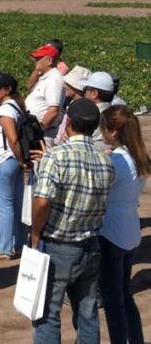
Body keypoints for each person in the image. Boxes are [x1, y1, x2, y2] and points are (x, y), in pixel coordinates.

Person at [30, 98, 114, 343]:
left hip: (59, 245)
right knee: (87, 313)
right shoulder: (105, 161)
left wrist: (36, 234)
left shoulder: (55, 158)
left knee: (47, 314)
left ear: (67, 123)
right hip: (91, 244)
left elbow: (43, 201)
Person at [98, 106, 148, 344]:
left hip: (111, 234)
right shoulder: (137, 156)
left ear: (114, 132)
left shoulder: (116, 160)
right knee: (125, 297)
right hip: (130, 231)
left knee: (113, 302)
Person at [0, 74, 27, 259]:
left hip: (5, 160)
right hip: (15, 162)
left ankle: (4, 248)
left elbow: (12, 138)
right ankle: (20, 244)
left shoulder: (5, 110)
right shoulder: (17, 107)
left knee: (5, 206)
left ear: (7, 90)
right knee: (17, 205)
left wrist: (19, 159)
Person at [25, 44, 65, 145]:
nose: (36, 62)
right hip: (38, 133)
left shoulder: (54, 79)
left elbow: (53, 110)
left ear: (49, 61)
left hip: (43, 135)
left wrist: (38, 129)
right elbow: (29, 86)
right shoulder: (46, 77)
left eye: (38, 59)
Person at [55, 65, 91, 144]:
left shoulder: (83, 110)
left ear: (75, 87)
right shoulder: (70, 104)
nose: (64, 85)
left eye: (67, 83)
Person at [82, 71, 115, 151]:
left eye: (85, 90)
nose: (84, 94)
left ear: (94, 93)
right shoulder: (117, 114)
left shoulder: (89, 116)